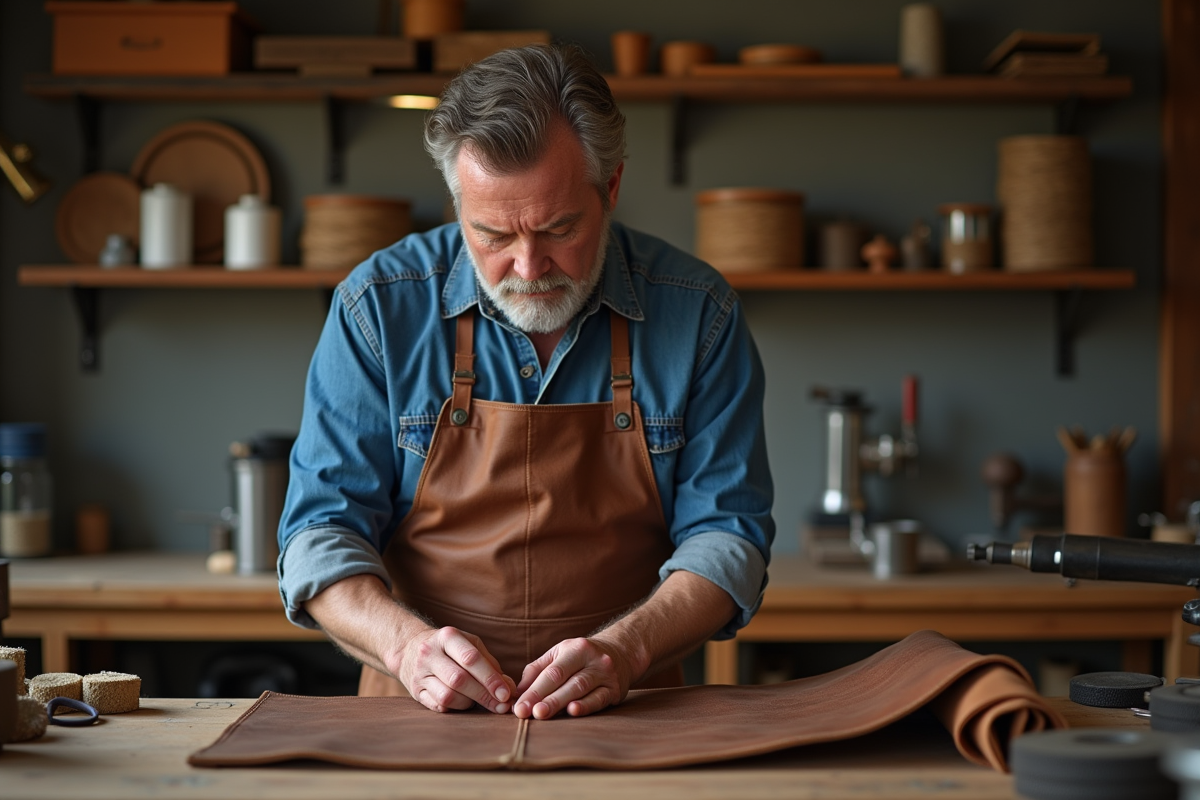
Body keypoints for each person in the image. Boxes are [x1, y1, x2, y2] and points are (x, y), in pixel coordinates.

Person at [277, 43, 774, 721]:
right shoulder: (377, 308)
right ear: (457, 204)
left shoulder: (698, 315)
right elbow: (318, 532)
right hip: (419, 715)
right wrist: (405, 648)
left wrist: (625, 651)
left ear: (612, 187)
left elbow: (730, 536)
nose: (528, 265)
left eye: (559, 228)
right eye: (492, 234)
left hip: (631, 712)